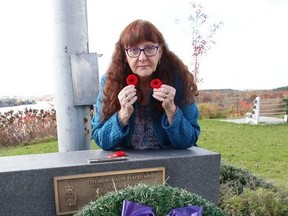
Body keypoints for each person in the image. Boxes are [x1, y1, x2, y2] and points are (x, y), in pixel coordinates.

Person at [91, 19, 200, 150]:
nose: (142, 58)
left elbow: (189, 140)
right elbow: (101, 139)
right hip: (128, 165)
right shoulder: (110, 82)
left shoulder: (178, 79)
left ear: (160, 51)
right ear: (125, 56)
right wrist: (123, 114)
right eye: (133, 50)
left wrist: (172, 110)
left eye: (149, 48)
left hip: (170, 165)